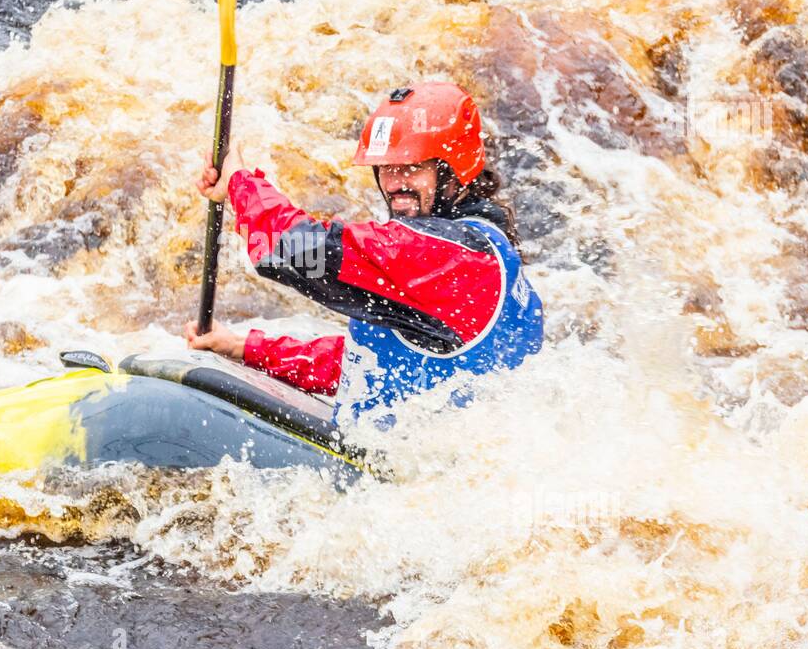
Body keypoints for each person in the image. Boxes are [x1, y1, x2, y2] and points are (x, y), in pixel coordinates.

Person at [184, 81, 543, 420]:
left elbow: (291, 248)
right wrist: (245, 347)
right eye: (387, 168)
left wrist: (239, 183)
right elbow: (373, 366)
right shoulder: (482, 247)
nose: (395, 183)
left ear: (453, 171)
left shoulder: (447, 256)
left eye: (413, 167)